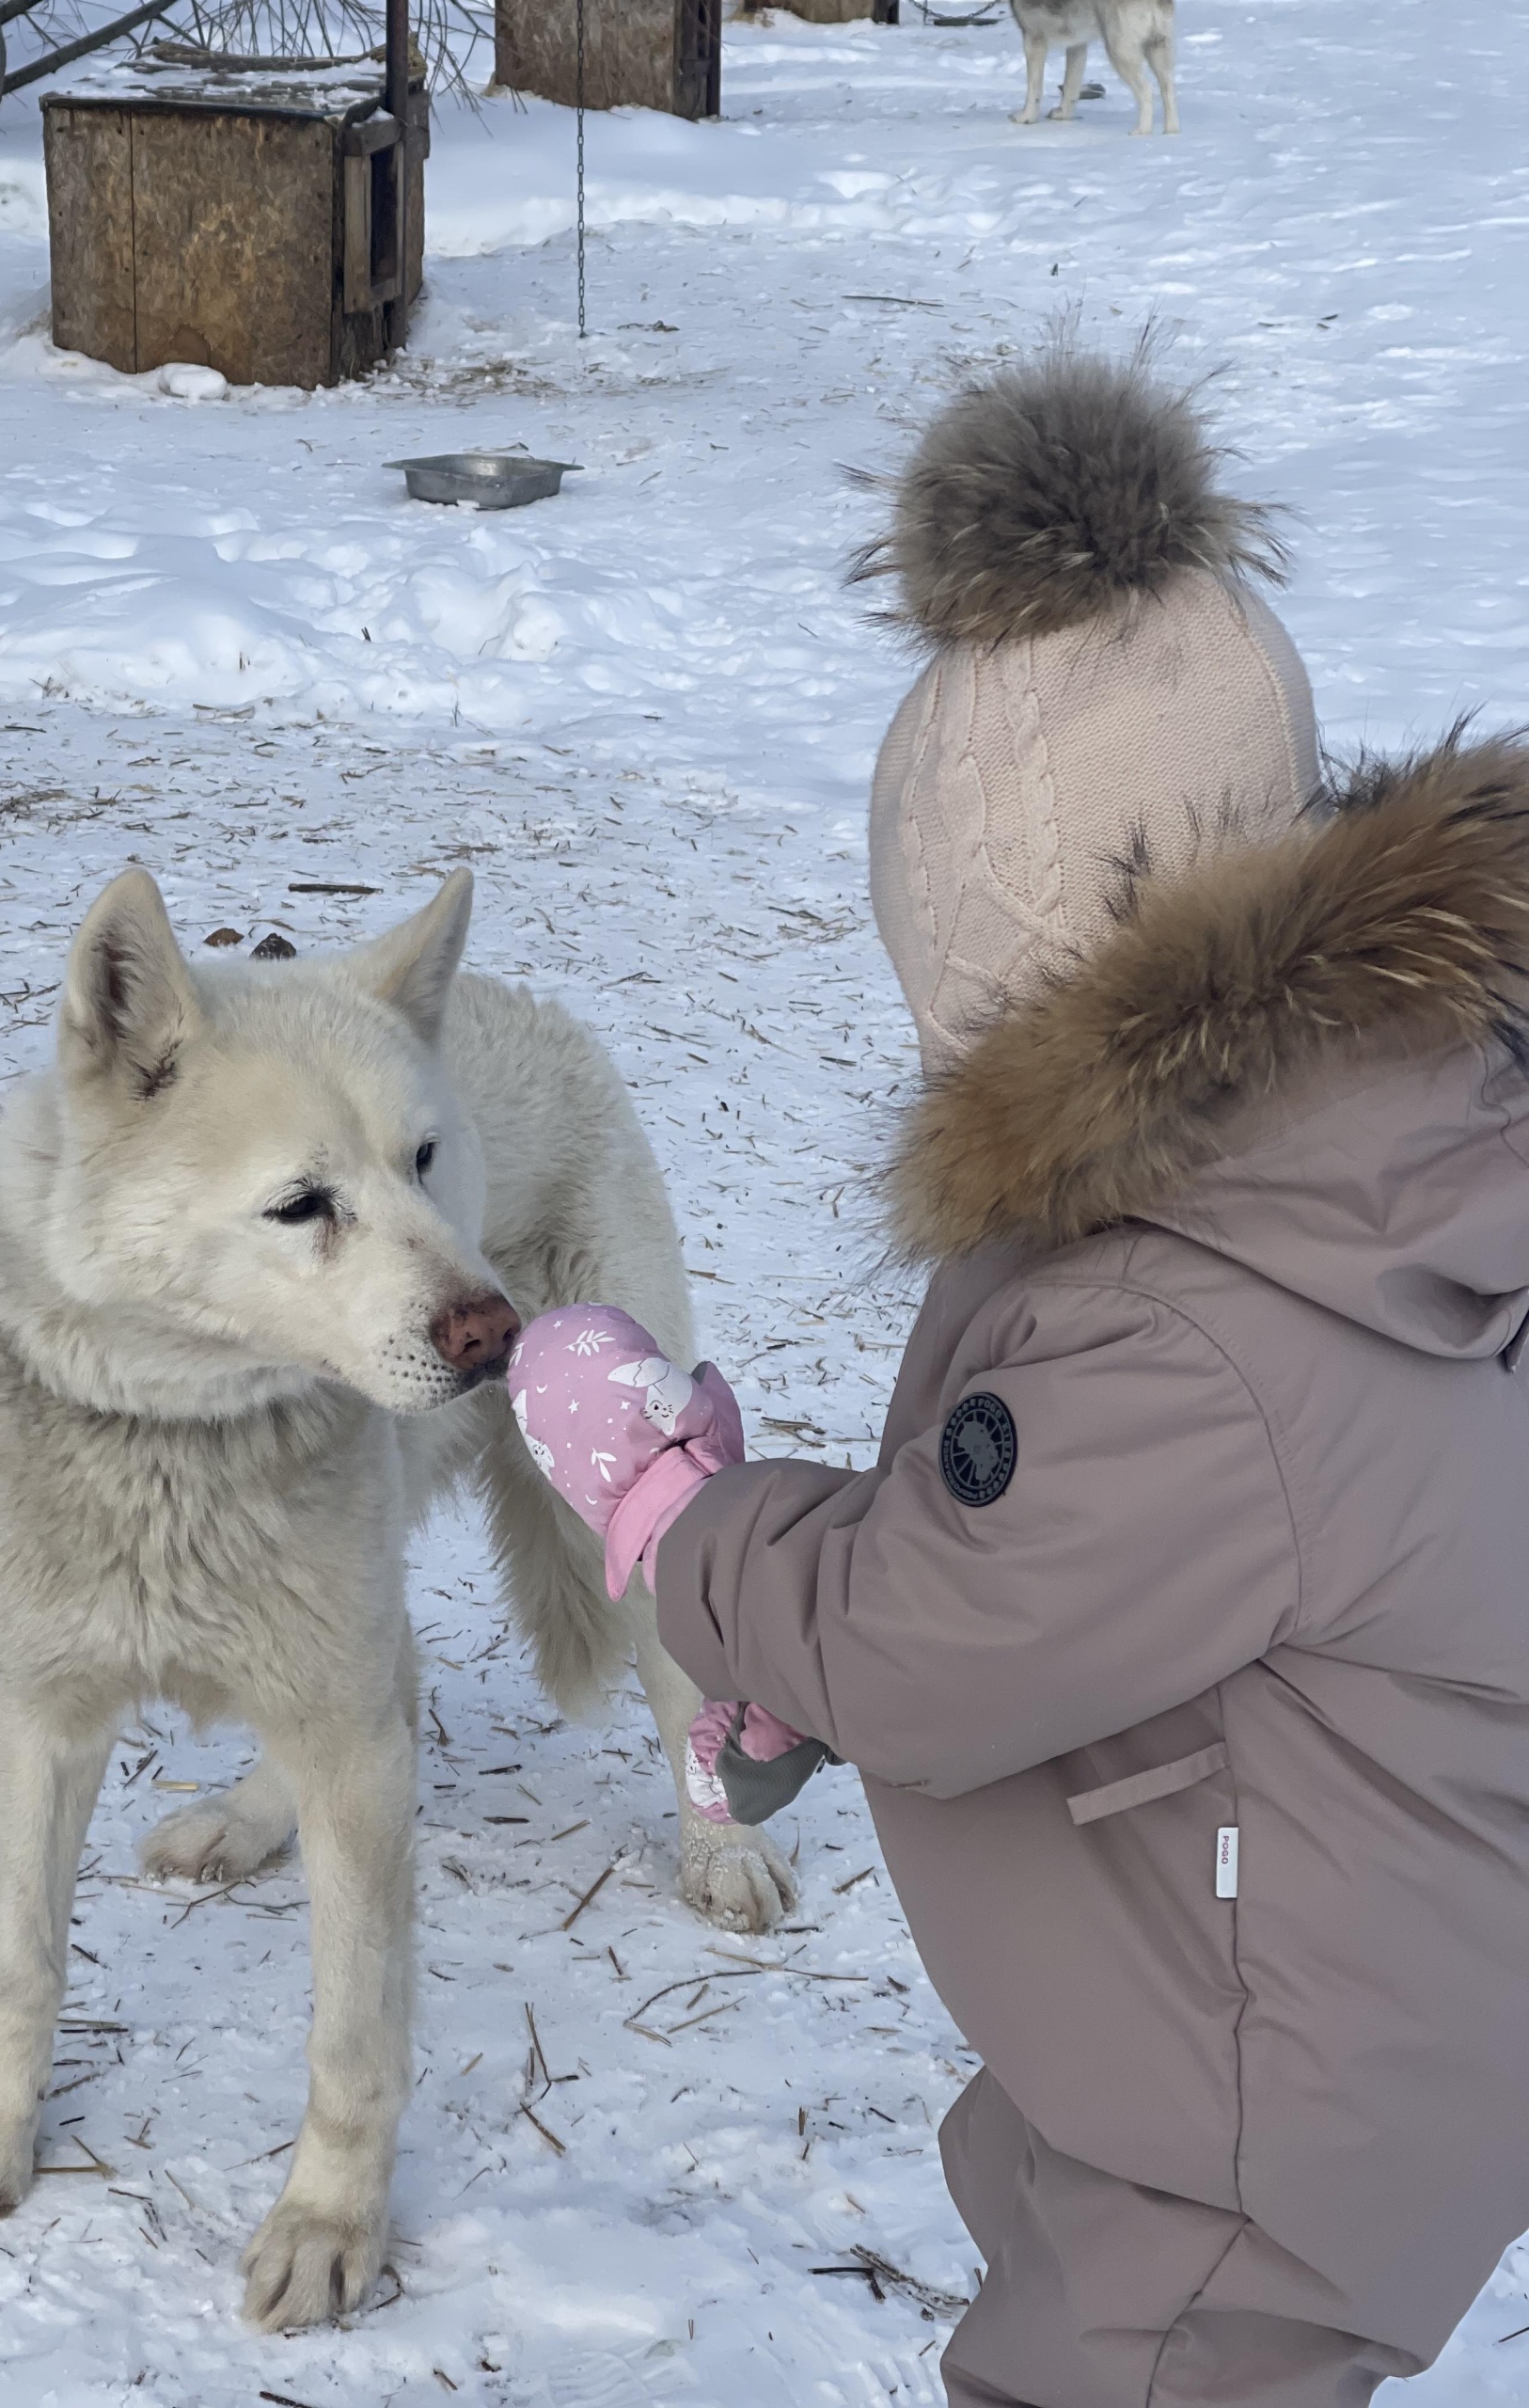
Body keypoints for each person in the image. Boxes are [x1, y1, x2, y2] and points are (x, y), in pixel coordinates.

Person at [507, 342, 1529, 2405]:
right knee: (1047, 2190)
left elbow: (940, 1634)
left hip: (1263, 2090)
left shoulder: (1187, 1324)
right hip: (1325, 1982)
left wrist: (678, 1523)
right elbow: (1070, 1560)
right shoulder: (1356, 1146)